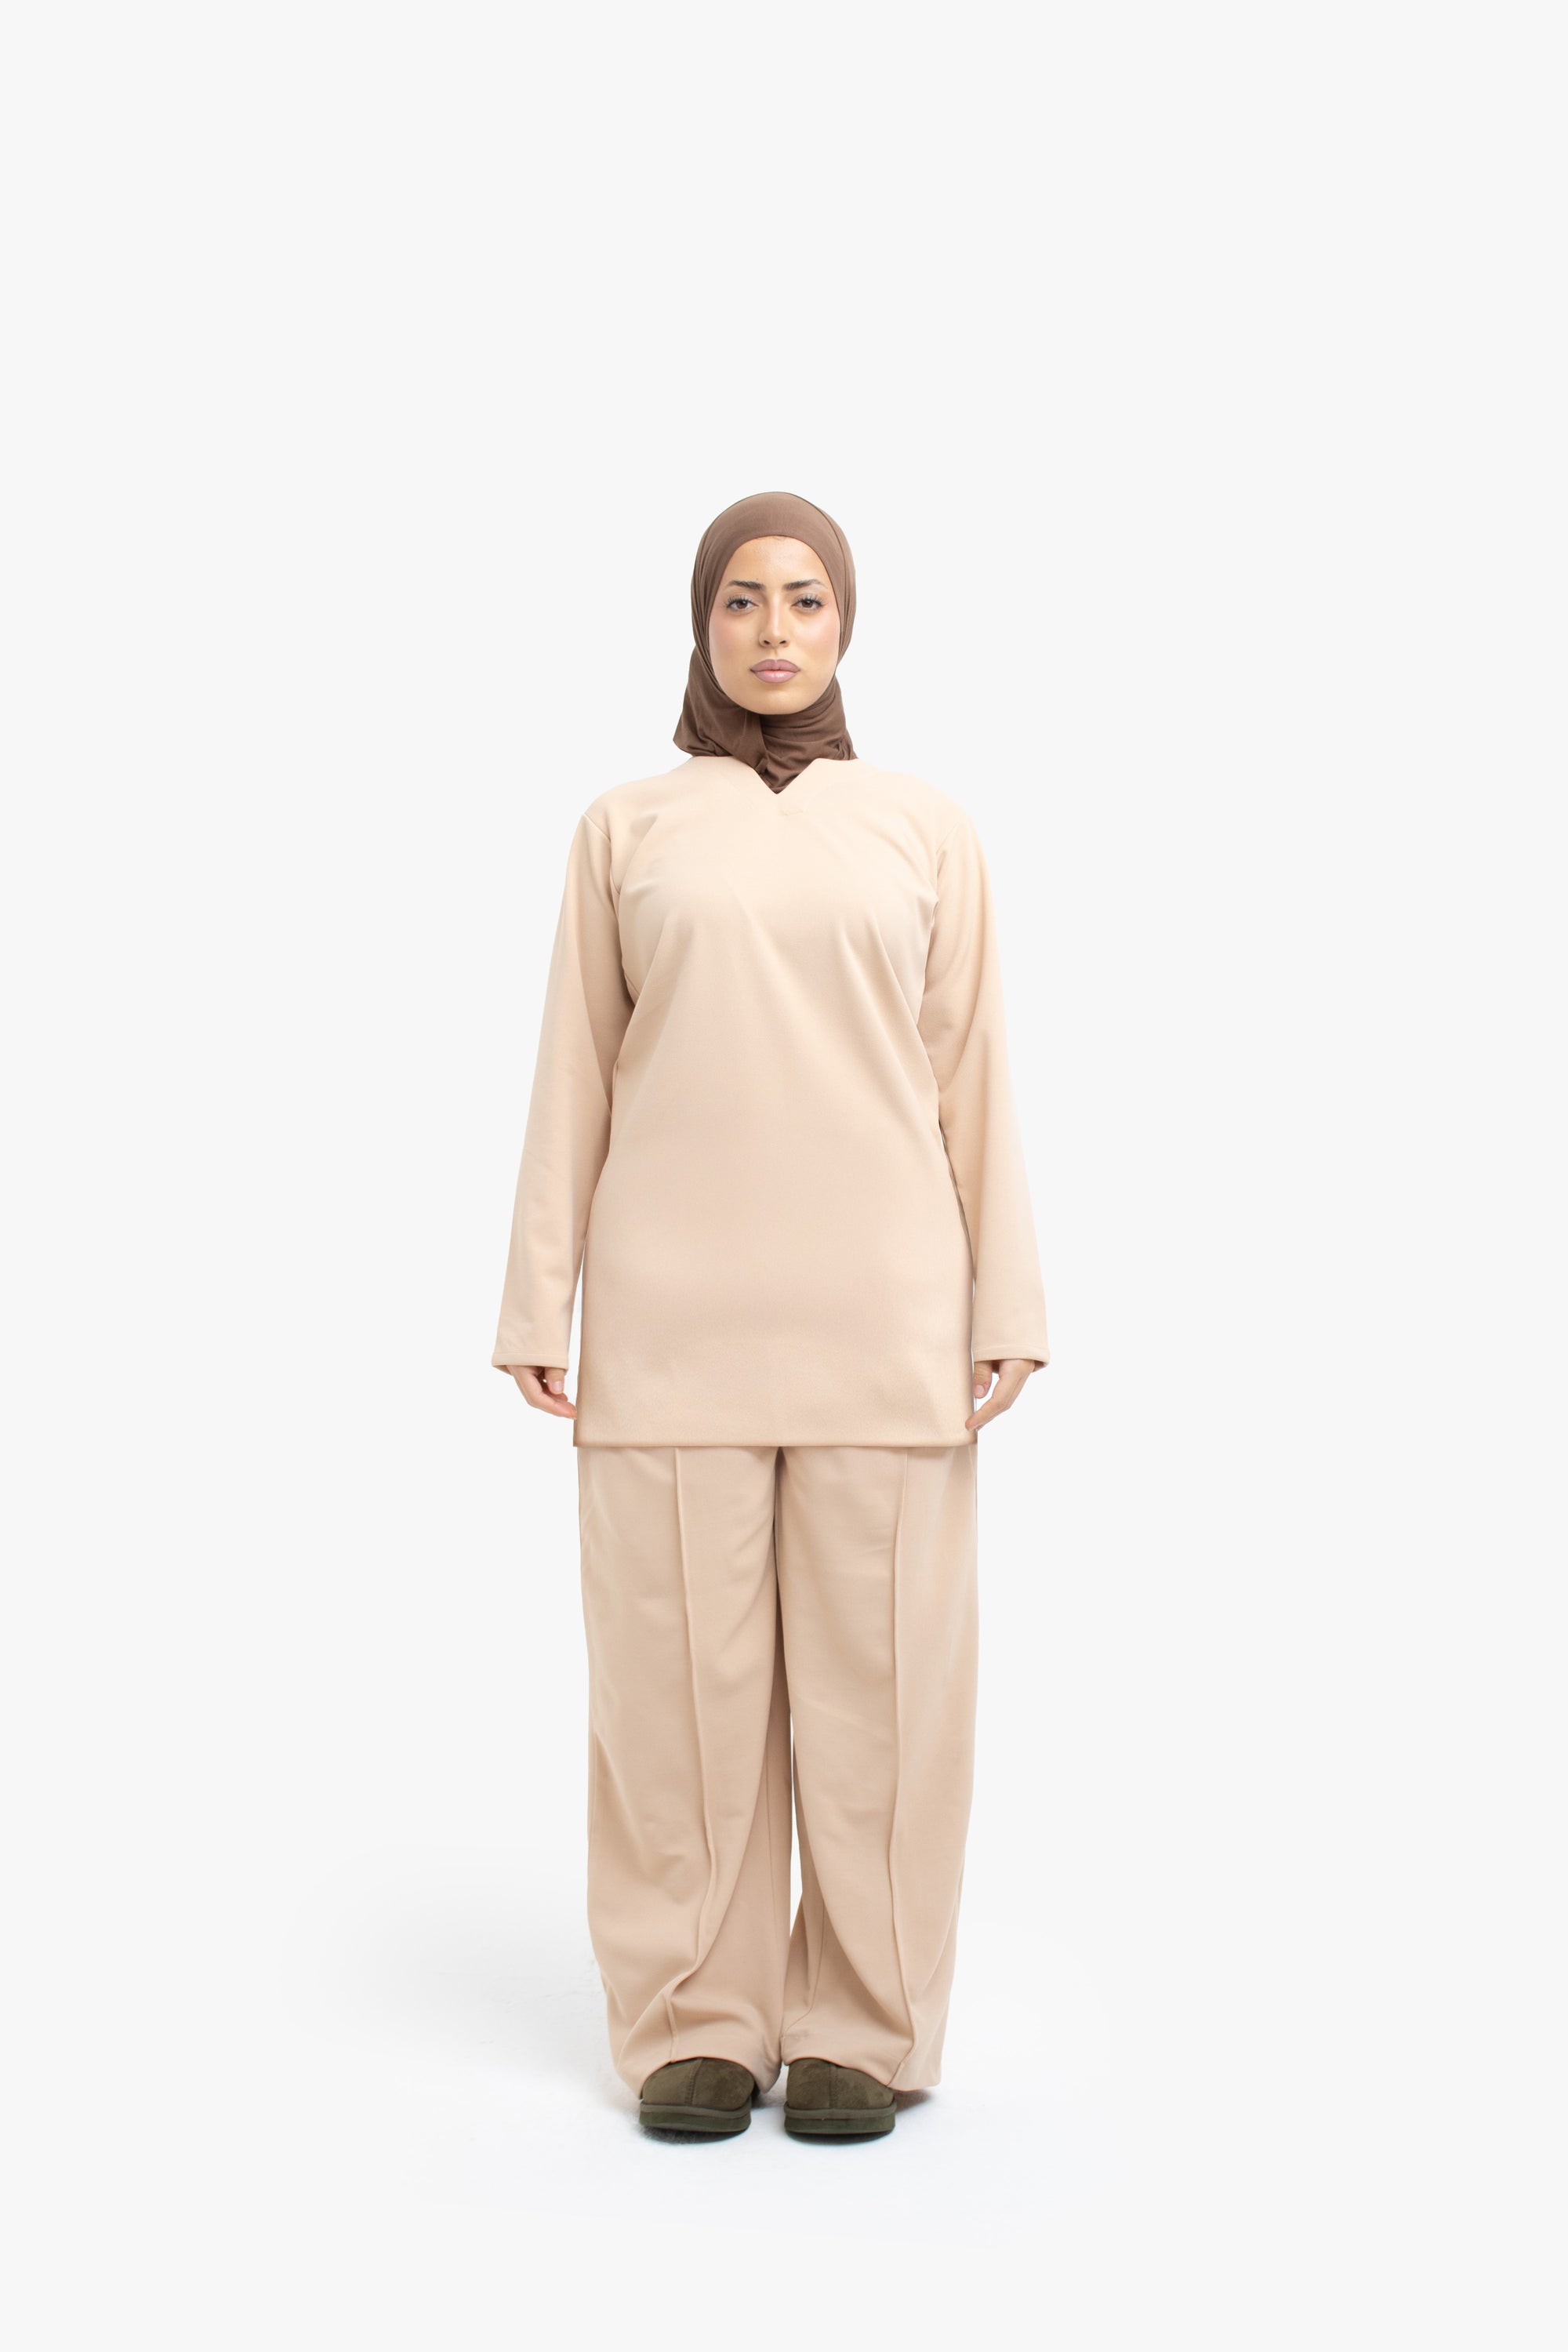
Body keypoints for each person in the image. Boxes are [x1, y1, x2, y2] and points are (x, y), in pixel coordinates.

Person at [493, 490, 1049, 2141]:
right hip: (670, 1323)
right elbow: (575, 1070)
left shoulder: (923, 828)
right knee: (677, 1700)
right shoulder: (626, 830)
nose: (775, 629)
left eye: (804, 598)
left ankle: (863, 2028)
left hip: (888, 1317)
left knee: (884, 1698)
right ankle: (697, 2021)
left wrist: (1007, 1294)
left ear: (845, 621)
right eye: (742, 600)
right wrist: (537, 1297)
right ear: (702, 623)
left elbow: (973, 1072)